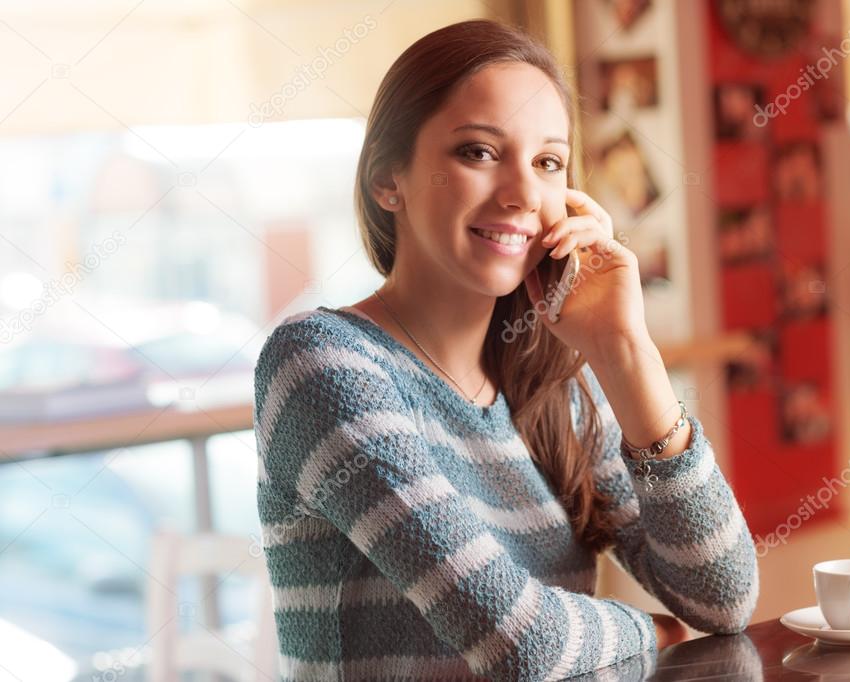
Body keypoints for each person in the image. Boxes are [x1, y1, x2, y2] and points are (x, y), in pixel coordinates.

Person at [253, 18, 758, 681]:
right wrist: (652, 630)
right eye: (478, 152)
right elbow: (523, 645)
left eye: (547, 162)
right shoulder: (323, 364)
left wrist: (623, 349)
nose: (523, 195)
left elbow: (723, 599)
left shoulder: (552, 385)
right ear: (387, 180)